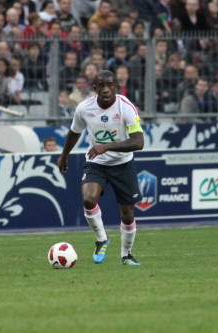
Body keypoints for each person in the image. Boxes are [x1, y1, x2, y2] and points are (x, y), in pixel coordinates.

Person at [57, 70, 144, 266]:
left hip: (123, 163)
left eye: (109, 85)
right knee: (88, 199)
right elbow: (74, 132)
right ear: (94, 88)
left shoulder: (126, 107)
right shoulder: (84, 108)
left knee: (128, 215)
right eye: (101, 86)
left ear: (115, 87)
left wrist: (107, 146)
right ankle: (102, 239)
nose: (105, 89)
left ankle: (126, 254)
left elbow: (139, 142)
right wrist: (64, 156)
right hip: (97, 162)